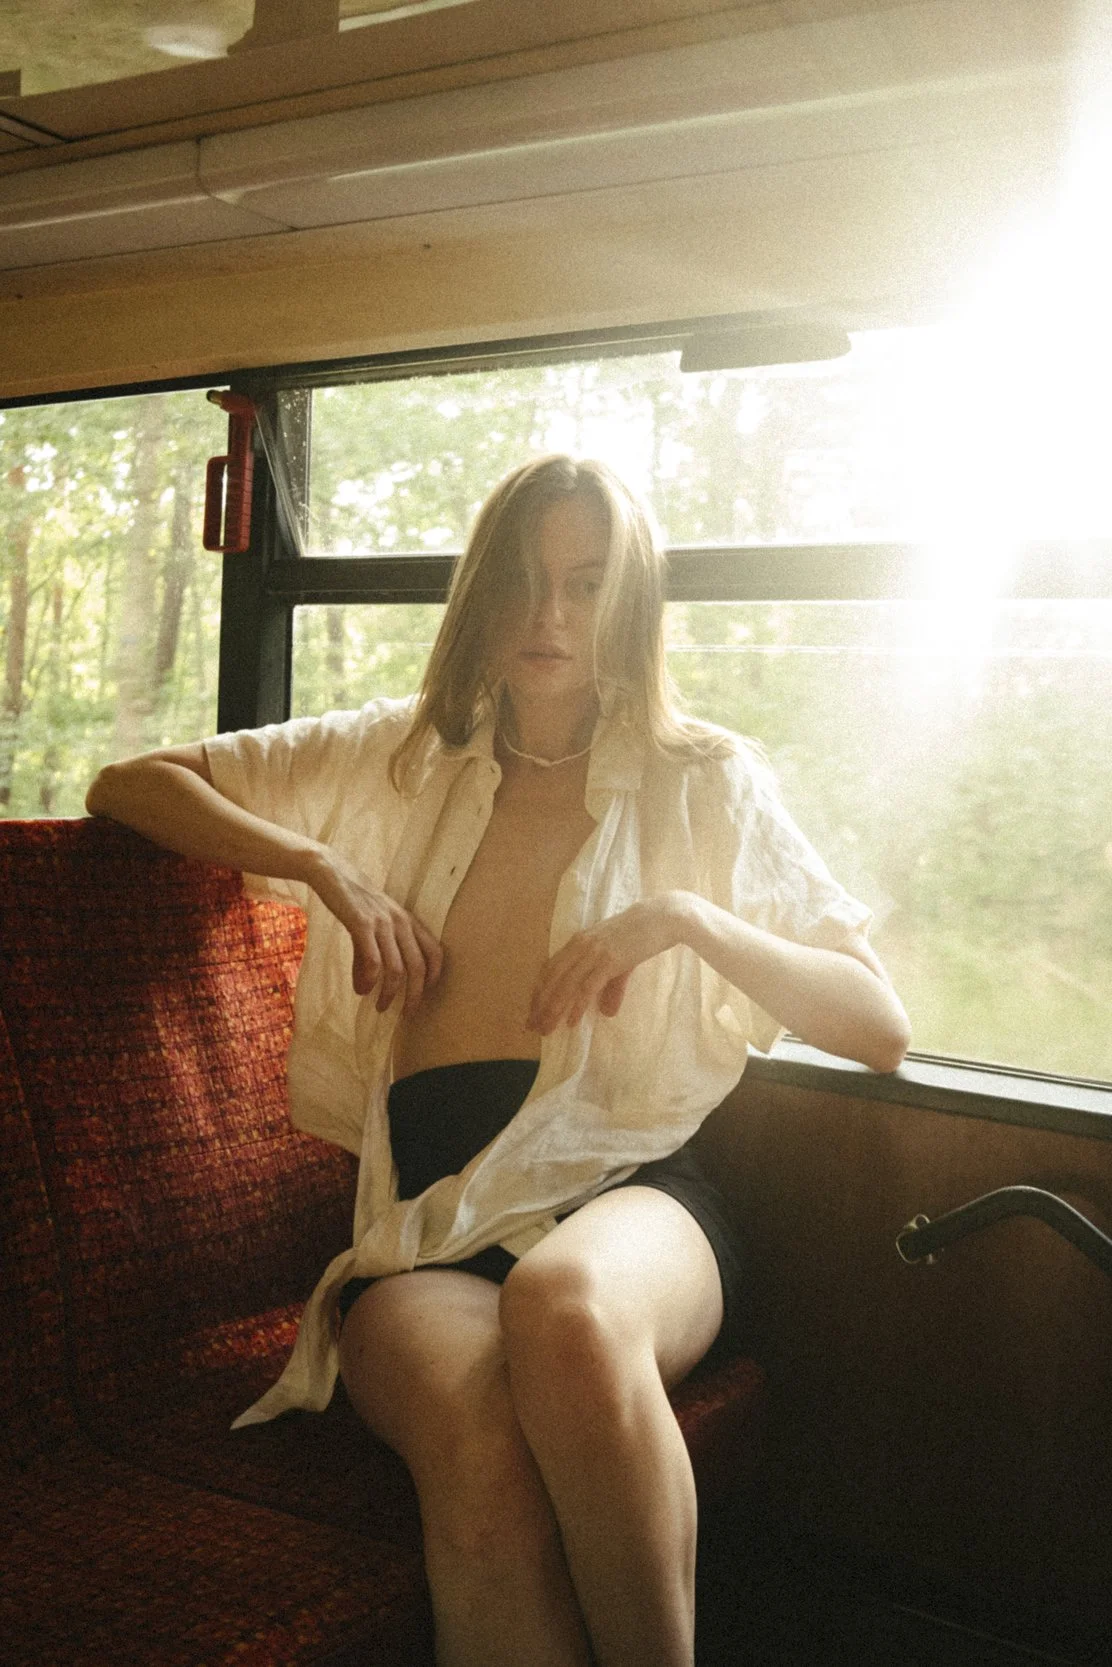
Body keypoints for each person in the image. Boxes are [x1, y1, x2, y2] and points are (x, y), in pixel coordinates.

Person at [86, 454, 910, 1667]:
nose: (550, 616)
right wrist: (328, 868)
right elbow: (127, 784)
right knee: (478, 1435)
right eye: (525, 583)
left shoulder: (706, 778)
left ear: (627, 603)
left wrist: (687, 918)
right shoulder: (395, 752)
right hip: (424, 1229)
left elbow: (877, 1025)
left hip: (629, 1198)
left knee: (564, 1309)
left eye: (585, 584)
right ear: (481, 595)